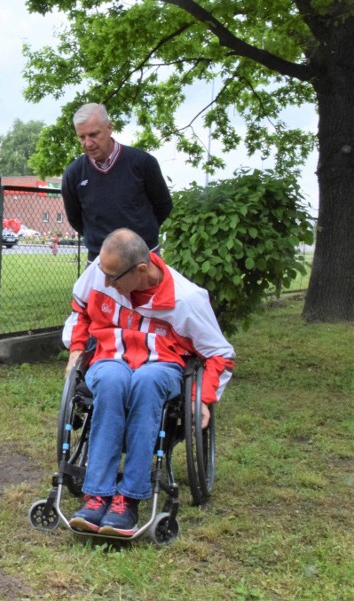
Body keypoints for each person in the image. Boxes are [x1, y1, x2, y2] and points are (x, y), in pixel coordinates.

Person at [62, 228, 234, 537]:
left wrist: (205, 398)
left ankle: (127, 499)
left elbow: (220, 354)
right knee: (113, 380)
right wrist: (76, 350)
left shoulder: (186, 300)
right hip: (109, 359)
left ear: (141, 270)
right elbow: (80, 312)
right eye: (104, 273)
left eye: (113, 278)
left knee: (146, 382)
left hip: (161, 366)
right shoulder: (102, 272)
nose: (106, 281)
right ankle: (98, 494)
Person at [61, 103, 173, 262]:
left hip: (145, 258)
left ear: (110, 127)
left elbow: (163, 206)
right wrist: (99, 240)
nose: (88, 143)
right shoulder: (74, 174)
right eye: (82, 137)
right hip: (99, 261)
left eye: (94, 134)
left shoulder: (142, 162)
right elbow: (75, 218)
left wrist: (140, 236)